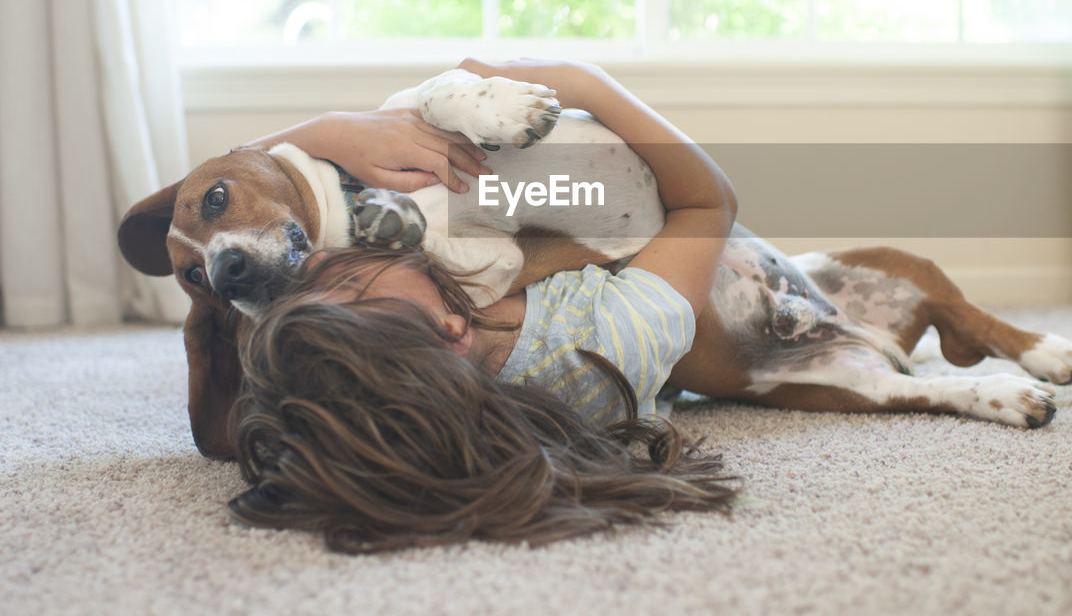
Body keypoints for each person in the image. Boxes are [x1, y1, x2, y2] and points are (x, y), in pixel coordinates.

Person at [229, 58, 740, 552]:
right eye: (348, 287)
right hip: (703, 261)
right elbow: (707, 202)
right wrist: (587, 82)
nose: (313, 264)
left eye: (297, 299)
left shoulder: (357, 354)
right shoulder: (604, 344)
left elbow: (217, 197)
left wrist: (329, 131)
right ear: (450, 330)